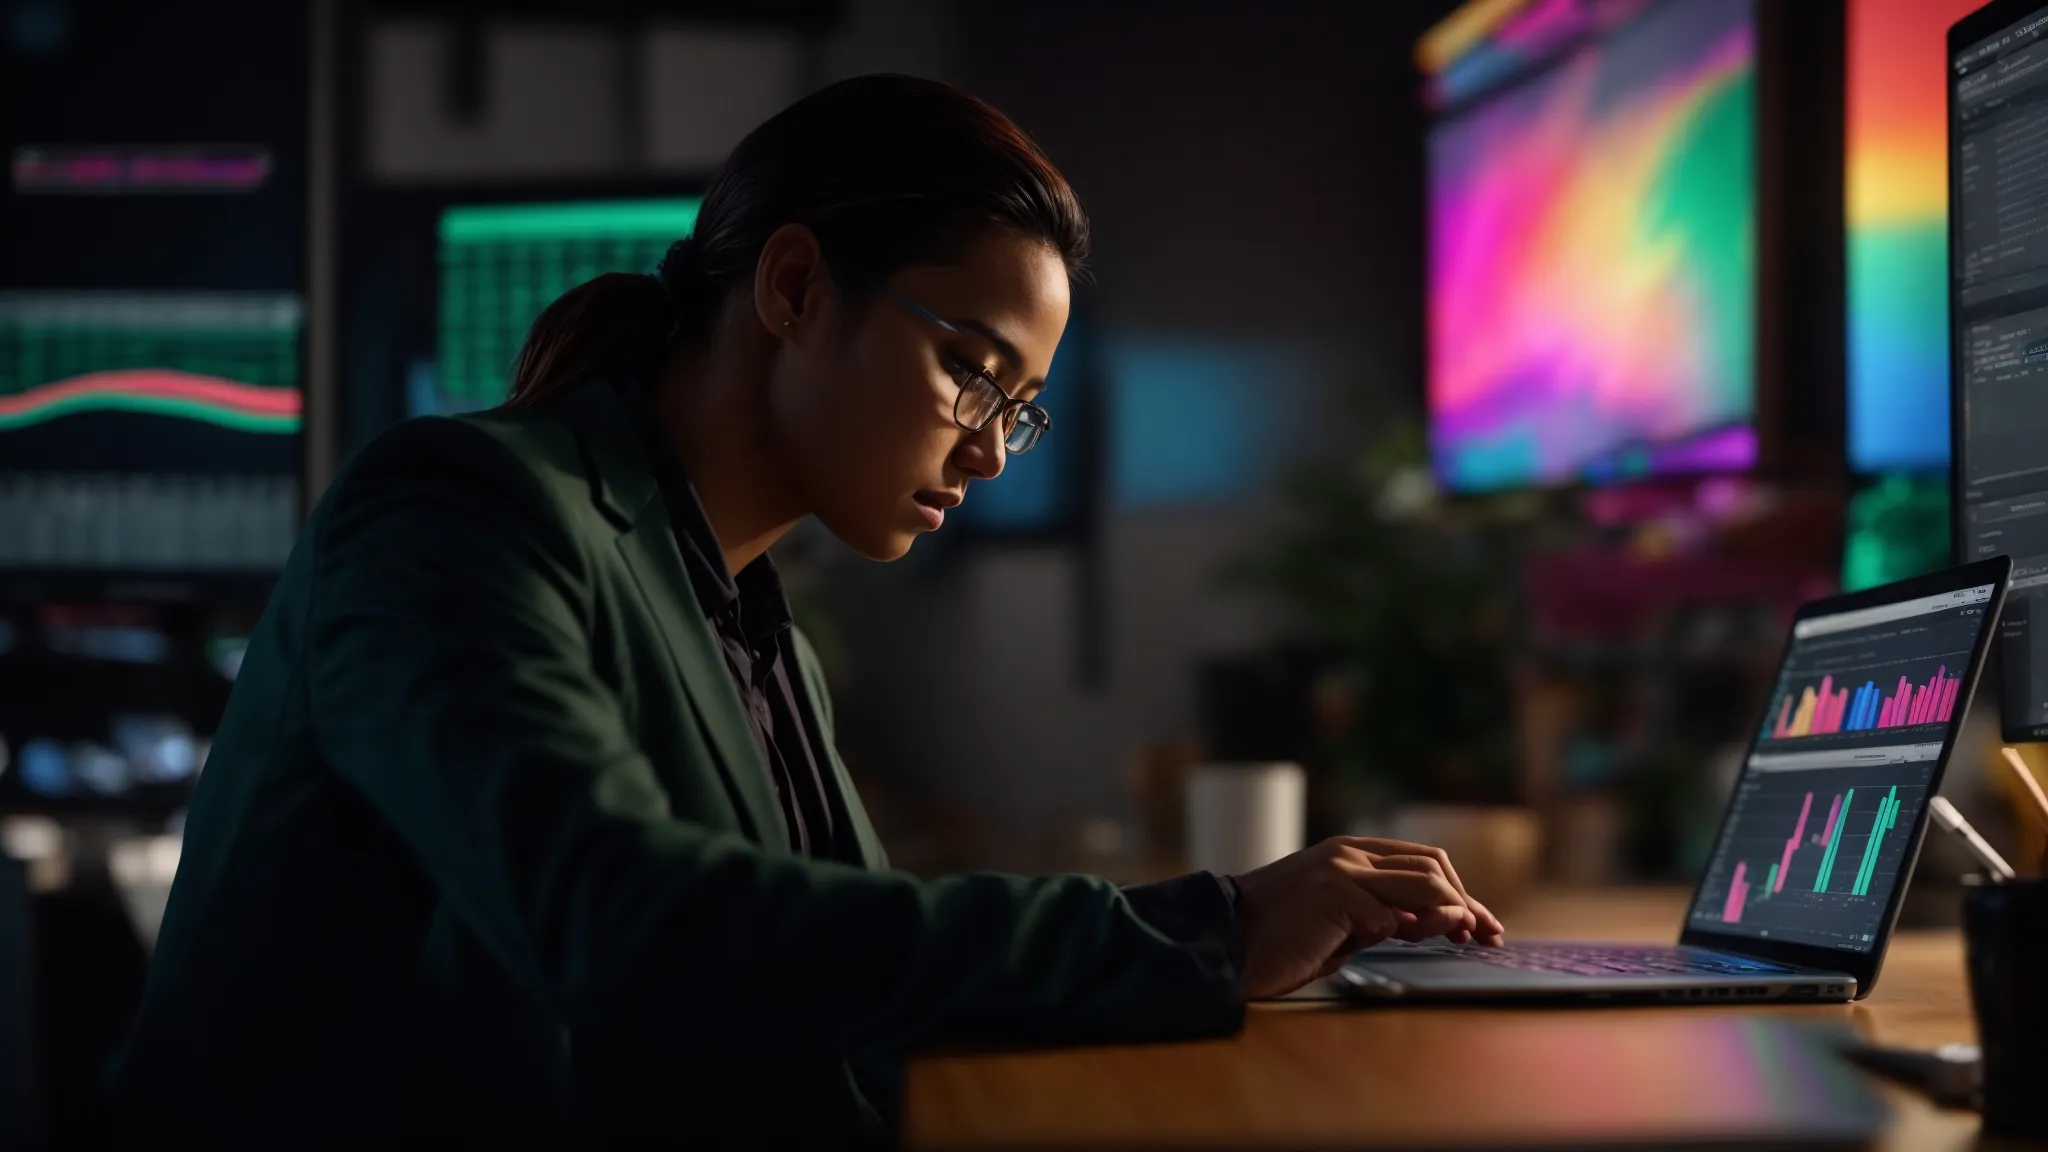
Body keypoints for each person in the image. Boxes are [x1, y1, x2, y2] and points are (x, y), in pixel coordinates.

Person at [105, 74, 1504, 1148]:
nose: (990, 450)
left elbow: (833, 960)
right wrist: (1195, 937)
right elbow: (623, 921)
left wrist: (1209, 932)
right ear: (790, 287)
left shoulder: (751, 611)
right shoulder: (454, 512)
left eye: (1020, 408)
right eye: (970, 369)